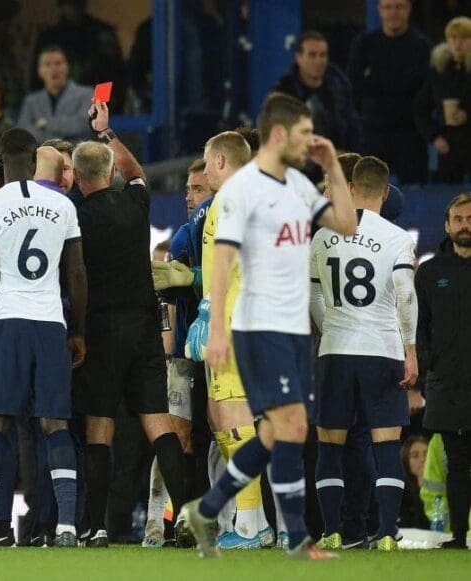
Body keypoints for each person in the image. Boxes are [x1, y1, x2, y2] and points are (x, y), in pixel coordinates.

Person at [177, 92, 357, 559]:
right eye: (303, 134)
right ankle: (295, 537)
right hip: (258, 326)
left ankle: (208, 508)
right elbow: (221, 261)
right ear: (279, 134)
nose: (309, 141)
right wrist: (216, 328)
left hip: (294, 327)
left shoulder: (297, 183)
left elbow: (346, 224)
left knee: (280, 431)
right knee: (292, 424)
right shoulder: (242, 191)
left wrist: (332, 165)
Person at [69, 102, 189, 548]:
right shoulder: (136, 203)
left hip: (101, 329)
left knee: (101, 427)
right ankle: (186, 520)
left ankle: (97, 526)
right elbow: (137, 170)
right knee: (159, 424)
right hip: (143, 328)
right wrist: (107, 132)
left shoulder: (75, 215)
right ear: (110, 172)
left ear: (79, 178)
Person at [0, 128, 87, 547]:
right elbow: (77, 275)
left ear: (0, 159)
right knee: (55, 424)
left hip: (8, 322)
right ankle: (67, 527)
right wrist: (79, 330)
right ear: (34, 160)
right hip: (51, 323)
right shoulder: (62, 205)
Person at [309, 156, 418, 552]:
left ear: (351, 187)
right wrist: (410, 349)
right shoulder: (397, 238)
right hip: (382, 350)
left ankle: (333, 530)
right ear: (386, 192)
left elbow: (313, 295)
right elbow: (406, 296)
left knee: (330, 446)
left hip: (335, 351)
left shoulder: (322, 236)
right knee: (386, 444)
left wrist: (331, 324)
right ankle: (387, 533)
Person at [187, 131, 276, 550]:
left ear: (221, 161)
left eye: (207, 163)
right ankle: (253, 520)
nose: (204, 171)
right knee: (225, 420)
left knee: (234, 421)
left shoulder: (231, 200)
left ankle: (249, 526)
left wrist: (208, 313)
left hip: (234, 322)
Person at [142, 157, 213, 548]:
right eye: (188, 188)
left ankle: (227, 521)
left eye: (198, 189)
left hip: (228, 352)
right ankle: (156, 523)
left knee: (223, 436)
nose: (189, 196)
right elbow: (167, 293)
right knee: (177, 436)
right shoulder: (186, 236)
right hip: (187, 355)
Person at [415, 193, 471, 549]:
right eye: (460, 219)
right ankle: (459, 536)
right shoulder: (431, 272)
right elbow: (420, 328)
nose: (466, 225)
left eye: (470, 218)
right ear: (448, 225)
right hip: (448, 384)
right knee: (457, 463)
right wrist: (424, 373)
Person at [347, 0, 431, 184]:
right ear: (379, 10)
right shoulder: (363, 44)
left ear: (409, 9)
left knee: (415, 193)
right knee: (367, 193)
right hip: (372, 134)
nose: (393, 12)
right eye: (388, 7)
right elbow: (354, 88)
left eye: (399, 7)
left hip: (411, 135)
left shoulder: (421, 46)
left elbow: (426, 92)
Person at [274, 30, 360, 182]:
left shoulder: (339, 88)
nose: (319, 60)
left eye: (323, 55)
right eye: (312, 55)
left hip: (337, 170)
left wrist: (348, 157)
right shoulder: (284, 93)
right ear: (299, 57)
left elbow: (352, 126)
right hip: (297, 173)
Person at [30, 0, 127, 113]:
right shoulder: (49, 38)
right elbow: (37, 81)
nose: (73, 8)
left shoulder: (101, 35)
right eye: (69, 3)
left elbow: (112, 74)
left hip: (97, 109)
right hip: (58, 111)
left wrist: (100, 105)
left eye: (77, 3)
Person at [413, 16, 471, 184]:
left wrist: (467, 115)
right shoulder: (439, 71)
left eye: (464, 38)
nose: (458, 44)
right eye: (453, 38)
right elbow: (419, 108)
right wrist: (434, 137)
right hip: (448, 149)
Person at [17, 45, 94, 144]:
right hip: (42, 156)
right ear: (40, 71)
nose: (53, 69)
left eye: (58, 63)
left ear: (67, 67)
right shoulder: (31, 101)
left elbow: (82, 126)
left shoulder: (87, 94)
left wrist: (45, 123)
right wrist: (61, 137)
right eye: (47, 64)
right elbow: (23, 132)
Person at [399, 435, 430, 529]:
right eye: (415, 455)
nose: (423, 459)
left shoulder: (447, 488)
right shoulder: (400, 495)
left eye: (426, 454)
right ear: (406, 462)